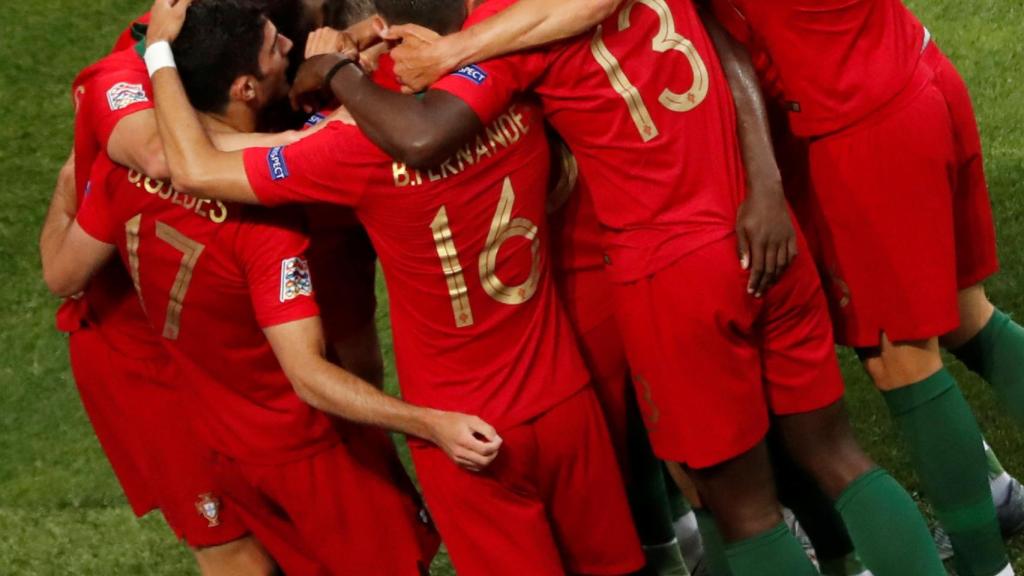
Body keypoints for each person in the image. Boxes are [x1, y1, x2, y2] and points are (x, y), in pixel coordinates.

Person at [289, 0, 951, 574]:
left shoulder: (504, 35)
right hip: (763, 228)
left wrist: (344, 71)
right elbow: (724, 43)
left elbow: (423, 134)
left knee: (745, 510)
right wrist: (767, 182)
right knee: (839, 457)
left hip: (673, 274)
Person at [142, 1, 649, 574]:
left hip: (462, 433)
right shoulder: (509, 79)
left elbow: (191, 168)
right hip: (563, 396)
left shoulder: (350, 150)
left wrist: (158, 52)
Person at [43, 1, 508, 572]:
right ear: (242, 87)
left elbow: (60, 274)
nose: (289, 44)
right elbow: (308, 374)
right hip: (299, 437)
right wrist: (432, 423)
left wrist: (76, 172)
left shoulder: (122, 171)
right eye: (274, 46)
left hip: (222, 427)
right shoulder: (267, 225)